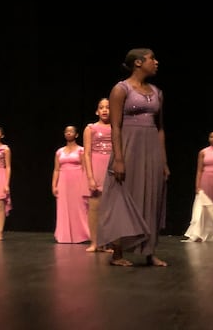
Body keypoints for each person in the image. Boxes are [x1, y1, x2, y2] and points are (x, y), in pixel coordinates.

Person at [97, 48, 170, 267]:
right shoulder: (121, 89)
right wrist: (119, 158)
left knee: (151, 195)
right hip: (128, 148)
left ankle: (149, 251)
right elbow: (115, 126)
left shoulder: (157, 92)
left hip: (151, 150)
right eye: (152, 59)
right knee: (123, 195)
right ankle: (117, 253)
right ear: (138, 63)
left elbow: (160, 129)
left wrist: (164, 161)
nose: (156, 62)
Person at [82, 98, 113, 253]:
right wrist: (90, 177)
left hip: (112, 168)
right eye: (101, 107)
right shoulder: (91, 128)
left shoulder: (116, 128)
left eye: (108, 107)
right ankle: (94, 242)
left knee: (110, 209)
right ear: (97, 111)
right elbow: (86, 154)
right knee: (94, 207)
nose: (105, 110)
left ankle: (107, 243)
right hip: (96, 168)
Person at [52, 125, 90, 244]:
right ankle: (64, 236)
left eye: (71, 131)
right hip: (63, 182)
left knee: (79, 207)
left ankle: (83, 235)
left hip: (78, 180)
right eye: (66, 131)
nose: (68, 133)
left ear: (77, 135)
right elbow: (56, 169)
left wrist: (86, 183)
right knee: (64, 207)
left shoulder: (81, 150)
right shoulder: (59, 151)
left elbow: (85, 168)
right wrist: (54, 185)